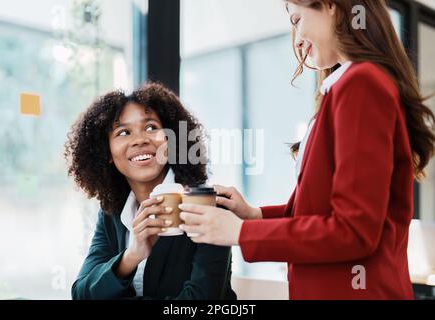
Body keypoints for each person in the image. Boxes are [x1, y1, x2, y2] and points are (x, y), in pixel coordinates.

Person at [178, 0, 435, 299]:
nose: (297, 38)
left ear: (331, 6)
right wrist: (253, 215)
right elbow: (322, 212)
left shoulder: (361, 84)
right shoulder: (345, 87)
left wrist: (238, 232)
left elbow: (354, 230)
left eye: (298, 19)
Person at [65, 82, 236, 300]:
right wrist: (130, 258)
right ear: (106, 152)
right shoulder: (112, 212)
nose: (140, 140)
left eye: (151, 127)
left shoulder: (208, 205)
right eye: (123, 132)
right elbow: (81, 294)